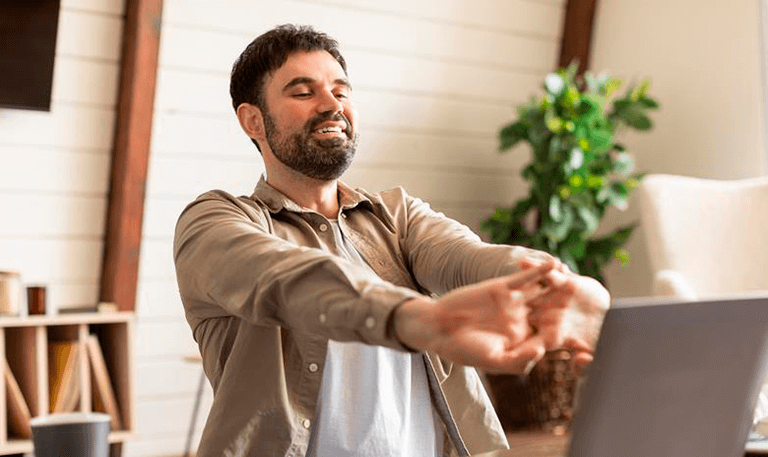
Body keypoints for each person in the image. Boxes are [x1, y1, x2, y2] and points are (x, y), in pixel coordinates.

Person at [173, 24, 609, 457]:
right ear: (253, 121)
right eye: (303, 93)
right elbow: (286, 280)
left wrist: (553, 284)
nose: (331, 105)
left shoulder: (397, 215)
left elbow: (469, 258)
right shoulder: (215, 221)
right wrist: (423, 320)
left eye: (341, 92)